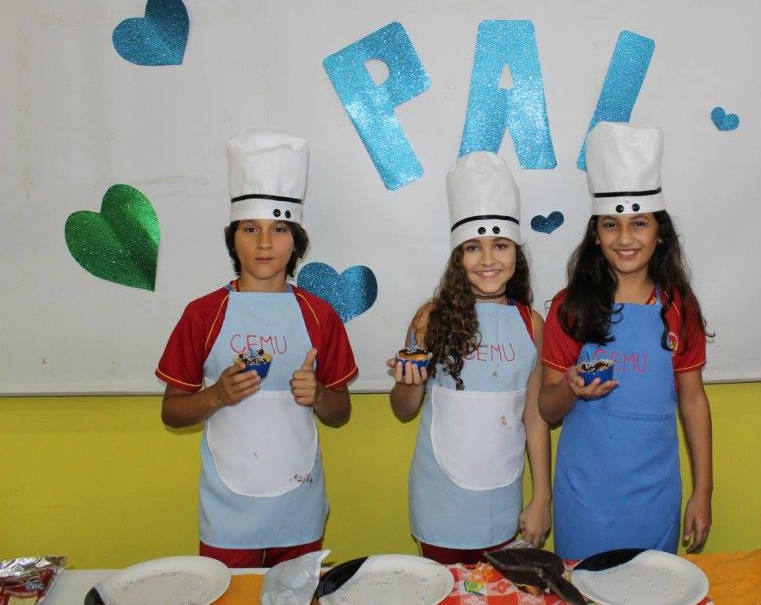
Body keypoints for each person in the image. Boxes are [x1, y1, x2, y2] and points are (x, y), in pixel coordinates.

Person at [156, 130, 357, 567]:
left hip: (299, 504)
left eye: (278, 229)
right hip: (227, 510)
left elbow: (340, 412)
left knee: (296, 594)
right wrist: (216, 395)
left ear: (296, 239)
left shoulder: (320, 315)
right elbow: (172, 412)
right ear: (233, 238)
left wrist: (319, 394)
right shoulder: (202, 314)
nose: (265, 243)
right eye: (251, 229)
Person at [539, 121, 713, 560]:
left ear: (660, 232)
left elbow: (693, 400)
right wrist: (571, 388)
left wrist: (703, 491)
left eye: (639, 223)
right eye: (610, 225)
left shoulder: (679, 307)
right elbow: (547, 408)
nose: (625, 238)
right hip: (585, 498)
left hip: (656, 497)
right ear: (596, 236)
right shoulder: (570, 308)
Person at [389, 151, 551, 565]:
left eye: (500, 246)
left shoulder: (531, 323)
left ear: (516, 253)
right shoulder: (430, 318)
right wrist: (407, 382)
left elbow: (535, 416)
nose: (488, 260)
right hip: (439, 499)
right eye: (473, 247)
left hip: (502, 499)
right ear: (457, 256)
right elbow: (404, 409)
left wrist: (541, 498)